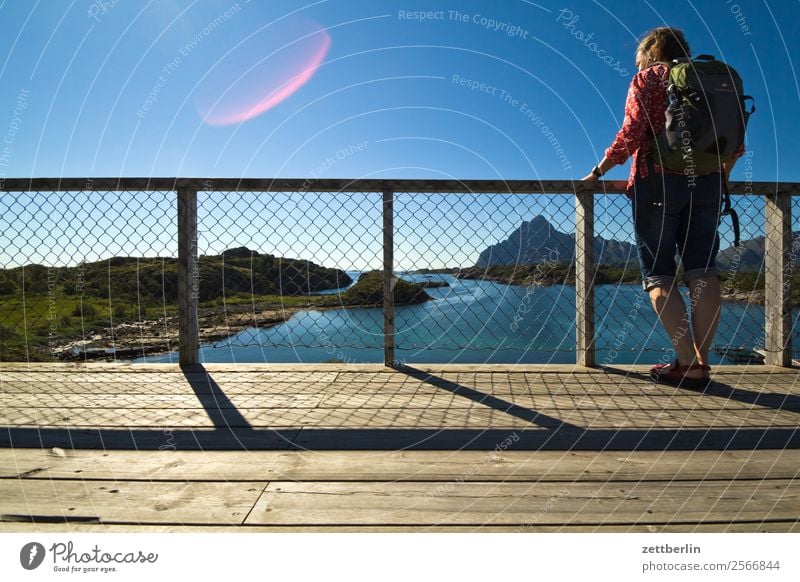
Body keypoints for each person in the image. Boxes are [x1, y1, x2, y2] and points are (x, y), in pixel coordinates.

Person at [581, 27, 741, 389]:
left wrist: (597, 171)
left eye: (638, 54)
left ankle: (686, 363)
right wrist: (720, 176)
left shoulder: (649, 78)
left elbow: (633, 132)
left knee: (659, 275)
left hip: (658, 181)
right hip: (709, 182)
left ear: (651, 50)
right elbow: (735, 141)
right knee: (703, 270)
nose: (636, 61)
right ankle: (701, 361)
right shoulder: (714, 79)